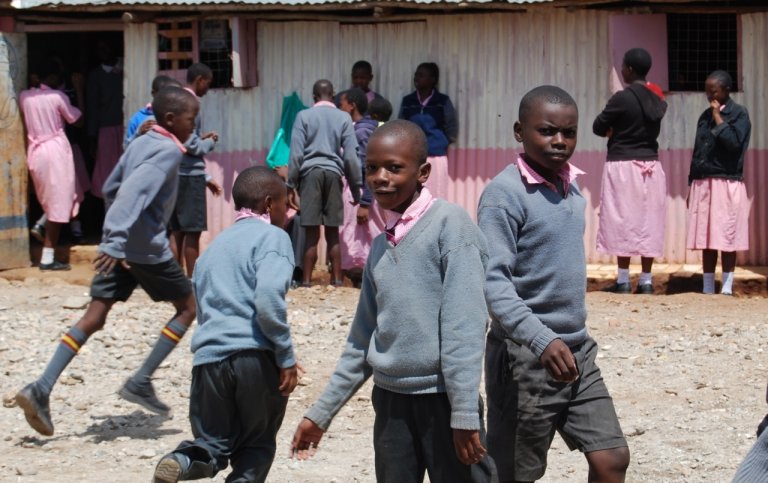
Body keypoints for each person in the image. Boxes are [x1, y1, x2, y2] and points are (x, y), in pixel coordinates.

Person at [290, 120, 496, 482]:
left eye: (394, 168)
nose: (380, 177)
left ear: (423, 173)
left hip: (443, 399)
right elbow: (361, 340)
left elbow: (465, 325)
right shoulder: (382, 245)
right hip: (391, 403)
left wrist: (464, 413)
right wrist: (321, 414)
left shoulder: (452, 227)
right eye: (372, 168)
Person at [14, 86, 200, 437]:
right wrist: (118, 240)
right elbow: (133, 192)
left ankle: (41, 388)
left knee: (94, 316)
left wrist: (115, 239)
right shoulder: (166, 152)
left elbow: (113, 186)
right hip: (144, 249)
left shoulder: (141, 142)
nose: (194, 125)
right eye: (191, 120)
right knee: (189, 307)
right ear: (172, 120)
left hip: (123, 246)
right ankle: (141, 381)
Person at [478, 85, 630, 482]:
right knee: (515, 473)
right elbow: (494, 285)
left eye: (569, 132)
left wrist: (564, 340)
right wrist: (541, 339)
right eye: (547, 131)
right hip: (524, 357)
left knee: (611, 457)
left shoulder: (571, 186)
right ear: (519, 131)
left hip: (577, 349)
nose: (560, 142)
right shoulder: (504, 194)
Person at [152, 166, 300, 483]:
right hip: (254, 358)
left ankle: (184, 460)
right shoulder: (274, 237)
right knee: (255, 445)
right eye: (285, 204)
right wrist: (286, 357)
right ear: (269, 203)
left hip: (208, 361)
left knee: (212, 445)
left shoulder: (213, 249)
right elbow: (268, 299)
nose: (288, 212)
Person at [593, 48, 668, 295]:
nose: (622, 70)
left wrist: (612, 130)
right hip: (651, 166)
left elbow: (597, 126)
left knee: (621, 220)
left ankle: (623, 280)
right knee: (649, 222)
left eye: (623, 66)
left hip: (622, 165)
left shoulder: (621, 99)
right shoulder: (657, 98)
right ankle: (646, 281)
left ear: (630, 69)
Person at [286, 79, 362, 287]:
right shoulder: (344, 118)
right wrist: (356, 189)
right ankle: (337, 281)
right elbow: (351, 158)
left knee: (311, 233)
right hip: (334, 174)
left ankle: (307, 282)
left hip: (310, 175)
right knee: (332, 233)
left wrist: (290, 185)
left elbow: (296, 155)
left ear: (314, 97)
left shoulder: (303, 117)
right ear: (334, 94)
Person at [687, 70, 751, 296]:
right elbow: (698, 151)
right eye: (706, 90)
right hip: (704, 182)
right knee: (706, 238)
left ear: (726, 90)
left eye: (713, 90)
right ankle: (706, 287)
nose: (708, 94)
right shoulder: (703, 116)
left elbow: (734, 144)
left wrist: (718, 117)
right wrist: (691, 183)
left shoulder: (739, 114)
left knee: (726, 236)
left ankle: (726, 287)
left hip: (726, 182)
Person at [19, 59, 84, 270]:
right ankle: (47, 257)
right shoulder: (58, 97)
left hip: (35, 152)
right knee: (59, 201)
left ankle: (41, 223)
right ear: (54, 77)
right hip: (55, 150)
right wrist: (80, 92)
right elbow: (77, 120)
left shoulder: (24, 97)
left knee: (53, 197)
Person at [170, 63, 223, 278]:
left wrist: (199, 137)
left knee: (176, 230)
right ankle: (192, 280)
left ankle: (174, 279)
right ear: (200, 79)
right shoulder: (191, 103)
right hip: (190, 175)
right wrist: (209, 143)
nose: (207, 89)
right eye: (207, 84)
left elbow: (181, 138)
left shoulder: (174, 101)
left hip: (174, 173)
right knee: (192, 231)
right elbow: (191, 145)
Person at [337, 87, 385, 286]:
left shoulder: (363, 130)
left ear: (352, 106)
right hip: (363, 192)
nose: (339, 108)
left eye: (342, 104)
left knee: (367, 233)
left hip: (363, 193)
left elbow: (367, 168)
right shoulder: (361, 128)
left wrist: (365, 201)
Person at [398, 62, 458, 200]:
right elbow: (401, 125)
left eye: (421, 75)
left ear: (432, 79)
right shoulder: (408, 101)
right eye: (416, 75)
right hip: (412, 156)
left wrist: (441, 142)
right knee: (413, 194)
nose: (416, 78)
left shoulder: (442, 101)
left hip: (435, 156)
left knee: (436, 194)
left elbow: (451, 125)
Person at [87, 40, 123, 199]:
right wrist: (92, 137)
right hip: (106, 130)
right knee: (108, 172)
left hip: (124, 126)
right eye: (100, 49)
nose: (104, 52)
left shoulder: (125, 70)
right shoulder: (96, 76)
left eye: (106, 47)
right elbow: (92, 108)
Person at [124, 75, 182, 148]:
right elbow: (126, 148)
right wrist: (138, 133)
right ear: (153, 93)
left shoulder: (174, 117)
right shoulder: (137, 119)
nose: (164, 98)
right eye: (160, 94)